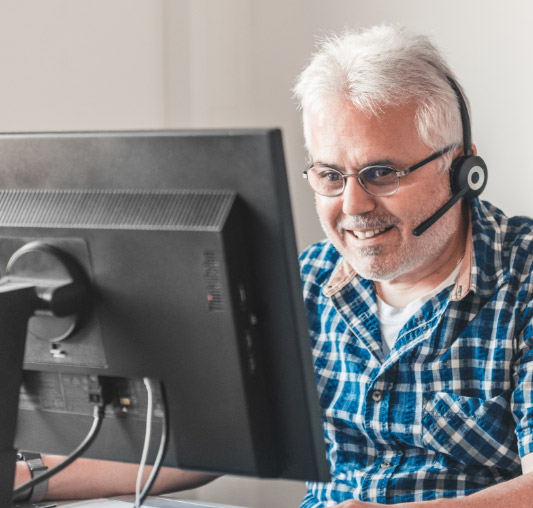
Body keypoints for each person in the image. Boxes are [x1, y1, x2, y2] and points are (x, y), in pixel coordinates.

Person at [292, 24, 533, 507]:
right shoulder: (308, 280)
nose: (353, 205)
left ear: (464, 170)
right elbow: (195, 447)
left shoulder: (523, 279)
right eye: (330, 176)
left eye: (381, 173)